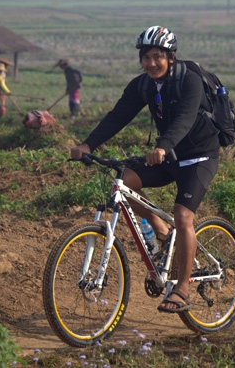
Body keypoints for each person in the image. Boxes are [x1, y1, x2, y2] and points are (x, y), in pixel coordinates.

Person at [70, 26, 220, 313]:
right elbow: (118, 116)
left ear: (171, 57)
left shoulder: (190, 80)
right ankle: (159, 227)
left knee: (183, 215)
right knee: (125, 184)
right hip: (169, 157)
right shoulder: (143, 85)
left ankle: (182, 288)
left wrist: (162, 147)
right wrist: (88, 144)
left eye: (157, 57)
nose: (151, 63)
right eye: (146, 57)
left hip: (198, 157)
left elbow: (186, 119)